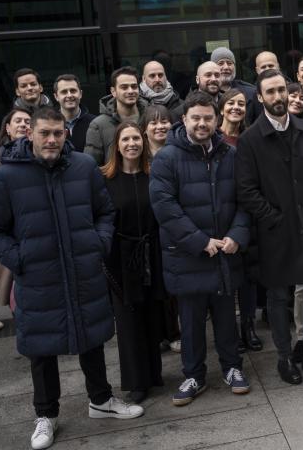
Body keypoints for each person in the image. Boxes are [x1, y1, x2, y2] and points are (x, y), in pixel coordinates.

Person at [0, 108, 143, 450]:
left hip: (83, 270)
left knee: (91, 337)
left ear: (65, 133)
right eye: (45, 133)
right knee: (40, 348)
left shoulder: (83, 166)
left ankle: (101, 400)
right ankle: (46, 414)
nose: (52, 139)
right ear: (30, 134)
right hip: (37, 277)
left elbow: (105, 212)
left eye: (58, 133)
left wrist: (98, 243)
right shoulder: (8, 175)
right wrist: (19, 259)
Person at [235, 70, 303, 385]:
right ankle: (284, 357)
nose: (278, 96)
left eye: (281, 90)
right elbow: (246, 190)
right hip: (275, 231)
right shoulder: (250, 139)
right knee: (278, 296)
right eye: (270, 92)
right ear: (260, 97)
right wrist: (273, 217)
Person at [150, 91, 252, 406]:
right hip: (188, 256)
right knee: (191, 322)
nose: (202, 123)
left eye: (208, 118)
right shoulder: (167, 158)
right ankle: (193, 375)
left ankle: (232, 367)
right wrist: (199, 241)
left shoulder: (230, 154)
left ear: (216, 119)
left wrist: (237, 234)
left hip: (225, 253)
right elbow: (165, 208)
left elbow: (245, 200)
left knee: (226, 317)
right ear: (184, 119)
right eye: (196, 118)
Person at [99, 122, 166, 403]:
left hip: (152, 253)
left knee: (151, 315)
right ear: (117, 145)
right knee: (128, 321)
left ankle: (153, 374)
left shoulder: (155, 175)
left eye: (136, 138)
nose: (132, 144)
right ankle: (136, 381)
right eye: (125, 139)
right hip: (120, 258)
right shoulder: (104, 179)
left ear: (144, 141)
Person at [216, 89, 262, 353]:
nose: (236, 107)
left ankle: (248, 325)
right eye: (231, 103)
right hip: (222, 214)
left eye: (241, 104)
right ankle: (230, 331)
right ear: (222, 108)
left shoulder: (249, 138)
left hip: (247, 212)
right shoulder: (214, 138)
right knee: (227, 277)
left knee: (248, 276)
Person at [0, 106, 32, 312]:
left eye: (28, 121)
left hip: (38, 239)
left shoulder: (42, 155)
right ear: (8, 128)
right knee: (18, 306)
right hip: (11, 239)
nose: (23, 125)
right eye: (18, 121)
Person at [85, 67, 148, 165]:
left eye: (134, 86)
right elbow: (91, 165)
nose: (130, 91)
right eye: (124, 87)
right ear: (113, 91)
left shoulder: (151, 118)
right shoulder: (99, 125)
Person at [53, 74, 96, 152]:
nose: (69, 95)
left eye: (73, 91)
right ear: (56, 97)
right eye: (64, 92)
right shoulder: (50, 124)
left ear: (80, 94)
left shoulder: (95, 123)